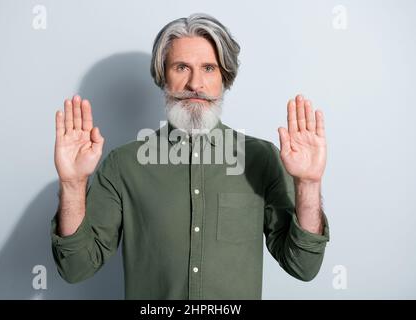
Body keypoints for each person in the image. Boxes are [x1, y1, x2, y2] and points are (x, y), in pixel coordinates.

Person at [51, 13, 330, 300]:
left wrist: (308, 184)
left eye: (209, 68)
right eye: (181, 67)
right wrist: (72, 185)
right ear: (163, 76)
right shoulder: (123, 165)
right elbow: (75, 268)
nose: (195, 83)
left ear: (225, 78)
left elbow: (303, 267)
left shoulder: (263, 158)